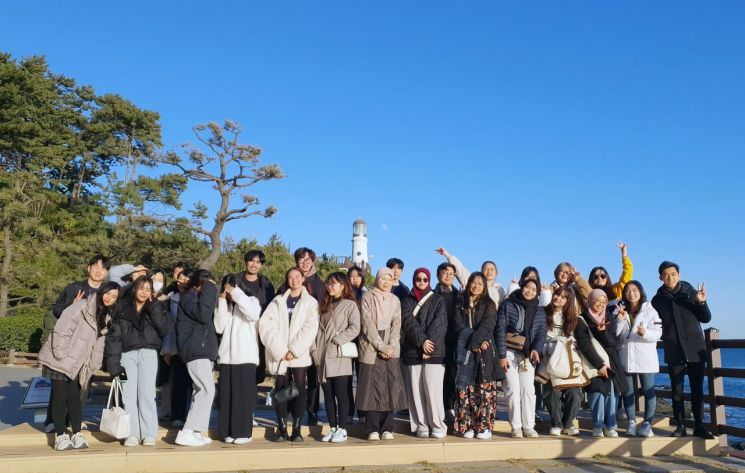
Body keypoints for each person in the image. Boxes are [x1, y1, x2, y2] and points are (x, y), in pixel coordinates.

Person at [39, 282, 120, 450]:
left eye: (114, 297)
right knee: (60, 397)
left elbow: (98, 346)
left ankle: (76, 433)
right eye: (108, 293)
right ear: (101, 292)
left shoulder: (105, 317)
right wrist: (61, 354)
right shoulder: (81, 306)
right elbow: (62, 329)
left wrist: (93, 365)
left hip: (78, 363)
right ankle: (60, 436)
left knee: (75, 398)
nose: (109, 298)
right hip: (60, 359)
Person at [43, 254, 111, 433]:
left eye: (103, 268)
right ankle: (52, 419)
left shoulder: (107, 293)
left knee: (83, 385)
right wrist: (71, 305)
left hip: (89, 348)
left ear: (107, 273)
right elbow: (57, 310)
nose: (98, 270)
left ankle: (73, 419)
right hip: (70, 345)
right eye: (95, 266)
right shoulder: (75, 288)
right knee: (60, 385)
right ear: (88, 268)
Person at [106, 275, 171, 447]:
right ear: (134, 289)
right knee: (128, 395)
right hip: (126, 357)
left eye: (148, 289)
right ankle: (132, 433)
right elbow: (114, 338)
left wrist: (154, 305)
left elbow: (165, 329)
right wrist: (114, 366)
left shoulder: (156, 307)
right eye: (141, 288)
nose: (144, 292)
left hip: (149, 355)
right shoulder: (122, 309)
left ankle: (149, 433)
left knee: (147, 394)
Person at [651, 261, 714, 439]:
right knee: (676, 390)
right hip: (674, 349)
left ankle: (700, 426)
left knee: (697, 389)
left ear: (678, 274)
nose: (670, 277)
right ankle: (680, 426)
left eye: (673, 273)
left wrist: (702, 303)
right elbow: (653, 324)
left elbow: (706, 318)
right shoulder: (657, 300)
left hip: (694, 348)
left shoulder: (690, 293)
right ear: (660, 277)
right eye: (666, 274)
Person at [259, 268, 319, 442]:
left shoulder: (310, 303)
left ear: (303, 279)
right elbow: (265, 324)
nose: (294, 280)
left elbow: (310, 328)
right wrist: (280, 349)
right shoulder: (278, 301)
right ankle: (282, 429)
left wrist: (294, 350)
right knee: (281, 391)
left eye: (297, 277)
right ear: (287, 280)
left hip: (298, 355)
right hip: (279, 355)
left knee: (299, 390)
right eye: (290, 277)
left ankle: (297, 429)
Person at [452, 272, 504, 439]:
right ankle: (467, 425)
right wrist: (473, 340)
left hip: (484, 352)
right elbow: (457, 325)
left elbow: (488, 325)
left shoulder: (489, 304)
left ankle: (484, 427)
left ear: (484, 287)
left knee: (482, 391)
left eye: (480, 284)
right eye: (473, 283)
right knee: (466, 391)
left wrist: (478, 340)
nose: (476, 286)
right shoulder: (460, 302)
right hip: (465, 350)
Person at [356, 268, 407, 441]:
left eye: (389, 279)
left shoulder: (395, 299)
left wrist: (391, 346)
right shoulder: (367, 297)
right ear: (377, 279)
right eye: (383, 278)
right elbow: (367, 324)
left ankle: (387, 427)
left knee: (389, 387)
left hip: (392, 350)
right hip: (371, 348)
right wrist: (381, 346)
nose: (386, 282)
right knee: (371, 389)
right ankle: (372, 428)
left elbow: (397, 324)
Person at [310, 272, 360, 443]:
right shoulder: (324, 304)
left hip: (339, 355)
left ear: (343, 285)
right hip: (323, 355)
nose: (329, 286)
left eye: (333, 283)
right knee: (328, 395)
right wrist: (315, 352)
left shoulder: (350, 305)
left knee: (341, 393)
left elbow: (355, 328)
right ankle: (332, 427)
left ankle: (343, 428)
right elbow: (316, 330)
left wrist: (338, 340)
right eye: (328, 283)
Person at [214, 274, 262, 445]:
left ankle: (243, 432)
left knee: (243, 397)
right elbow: (219, 327)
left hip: (246, 357)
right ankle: (227, 431)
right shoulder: (226, 305)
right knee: (226, 397)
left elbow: (252, 314)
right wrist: (221, 303)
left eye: (231, 286)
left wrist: (236, 293)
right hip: (227, 358)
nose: (228, 290)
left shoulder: (252, 301)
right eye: (226, 287)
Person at [496, 279, 547, 438]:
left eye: (534, 289)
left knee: (528, 390)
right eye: (527, 287)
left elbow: (541, 332)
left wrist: (536, 349)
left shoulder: (539, 310)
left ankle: (529, 426)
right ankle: (516, 426)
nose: (530, 291)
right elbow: (500, 329)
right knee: (512, 389)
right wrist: (502, 355)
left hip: (527, 355)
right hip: (509, 352)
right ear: (521, 287)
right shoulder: (508, 304)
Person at [400, 267, 448, 438]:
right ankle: (421, 425)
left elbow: (439, 324)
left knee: (433, 391)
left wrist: (429, 345)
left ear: (429, 280)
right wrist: (421, 342)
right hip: (413, 351)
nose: (421, 282)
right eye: (418, 279)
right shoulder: (407, 300)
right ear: (414, 280)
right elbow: (408, 322)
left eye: (425, 279)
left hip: (434, 353)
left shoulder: (438, 299)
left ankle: (437, 425)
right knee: (415, 391)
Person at [175, 269, 220, 447]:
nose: (210, 288)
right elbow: (203, 314)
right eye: (207, 284)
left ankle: (195, 431)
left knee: (200, 391)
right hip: (195, 351)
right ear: (196, 284)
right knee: (207, 390)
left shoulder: (196, 298)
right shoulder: (188, 298)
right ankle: (187, 431)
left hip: (202, 351)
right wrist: (209, 286)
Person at [616, 280, 662, 437]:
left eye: (635, 290)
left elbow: (658, 333)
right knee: (628, 392)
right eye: (628, 290)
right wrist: (620, 320)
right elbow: (616, 335)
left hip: (645, 357)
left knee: (649, 391)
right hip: (626, 356)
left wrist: (645, 333)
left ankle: (647, 424)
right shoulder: (620, 310)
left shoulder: (651, 311)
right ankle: (631, 423)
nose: (631, 293)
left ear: (641, 292)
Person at [579, 289, 627, 438]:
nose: (600, 304)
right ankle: (597, 426)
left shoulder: (608, 317)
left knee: (612, 392)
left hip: (611, 361)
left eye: (603, 301)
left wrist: (603, 331)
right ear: (590, 300)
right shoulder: (582, 319)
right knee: (597, 392)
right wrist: (600, 364)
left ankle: (611, 426)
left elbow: (612, 342)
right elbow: (584, 345)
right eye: (596, 300)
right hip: (593, 363)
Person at [541, 286, 583, 436]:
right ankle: (556, 423)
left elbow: (580, 341)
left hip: (568, 359)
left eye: (563, 297)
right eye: (557, 295)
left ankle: (568, 423)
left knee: (574, 391)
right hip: (549, 357)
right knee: (552, 391)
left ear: (568, 301)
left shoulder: (574, 318)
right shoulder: (544, 313)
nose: (558, 298)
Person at [235, 249, 276, 385]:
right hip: (238, 330)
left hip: (258, 331)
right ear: (246, 262)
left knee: (257, 370)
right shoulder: (235, 281)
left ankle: (250, 400)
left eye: (258, 262)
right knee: (239, 368)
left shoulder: (267, 285)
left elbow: (270, 309)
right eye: (251, 260)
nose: (254, 264)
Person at [159, 268, 192, 428]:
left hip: (194, 348)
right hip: (178, 348)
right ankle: (177, 416)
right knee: (178, 383)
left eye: (185, 280)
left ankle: (192, 416)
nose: (181, 283)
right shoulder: (173, 299)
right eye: (179, 280)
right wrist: (168, 349)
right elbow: (170, 326)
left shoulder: (199, 297)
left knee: (193, 385)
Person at [433, 261, 460, 422]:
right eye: (445, 273)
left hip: (454, 342)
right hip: (436, 342)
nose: (448, 276)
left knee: (451, 375)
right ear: (438, 275)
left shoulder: (459, 296)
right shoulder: (432, 294)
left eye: (451, 274)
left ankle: (449, 407)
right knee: (436, 378)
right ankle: (436, 408)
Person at [435, 247, 506, 307]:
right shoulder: (475, 284)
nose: (489, 271)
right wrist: (448, 255)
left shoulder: (500, 289)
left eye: (491, 269)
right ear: (481, 272)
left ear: (496, 272)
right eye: (486, 269)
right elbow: (461, 269)